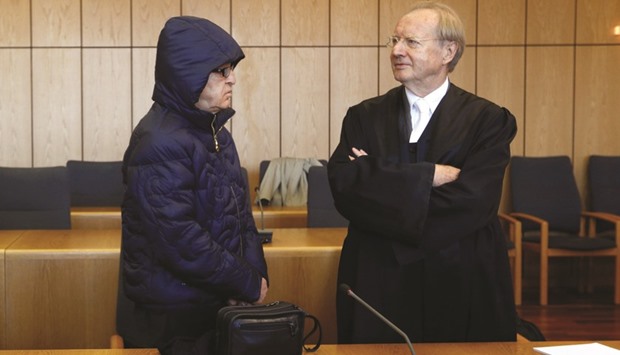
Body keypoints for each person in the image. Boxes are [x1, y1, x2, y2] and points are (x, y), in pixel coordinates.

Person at [328, 1, 517, 344]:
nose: (396, 50)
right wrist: (428, 175)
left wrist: (379, 177)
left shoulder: (488, 120)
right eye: (394, 41)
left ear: (448, 51)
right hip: (377, 277)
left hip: (459, 274)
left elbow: (477, 200)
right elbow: (345, 187)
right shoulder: (363, 116)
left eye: (411, 42)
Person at [116, 16, 269, 355]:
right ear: (189, 74)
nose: (233, 80)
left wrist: (253, 277)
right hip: (173, 318)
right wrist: (243, 281)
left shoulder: (216, 133)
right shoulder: (158, 141)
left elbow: (241, 217)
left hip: (213, 302)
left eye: (231, 70)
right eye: (222, 71)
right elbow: (180, 239)